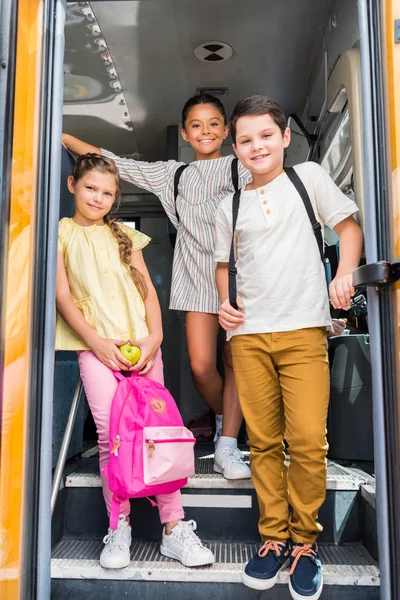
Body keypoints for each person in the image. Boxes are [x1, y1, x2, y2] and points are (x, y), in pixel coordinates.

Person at [215, 96, 363, 600]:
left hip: (303, 331)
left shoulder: (308, 179)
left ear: (283, 138)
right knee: (262, 442)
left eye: (265, 136)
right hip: (249, 336)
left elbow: (348, 228)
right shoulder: (227, 204)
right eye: (245, 140)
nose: (256, 145)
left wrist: (344, 274)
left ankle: (305, 542)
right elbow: (223, 265)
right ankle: (273, 539)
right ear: (235, 148)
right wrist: (223, 303)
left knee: (305, 441)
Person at [62, 93, 252, 480]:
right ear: (185, 132)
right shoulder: (173, 174)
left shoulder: (242, 166)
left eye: (214, 123)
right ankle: (230, 420)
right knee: (201, 366)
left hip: (241, 274)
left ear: (227, 130)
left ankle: (227, 443)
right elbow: (116, 163)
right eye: (196, 125)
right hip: (194, 274)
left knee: (237, 363)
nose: (206, 131)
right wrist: (60, 136)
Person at [55, 153, 215, 570]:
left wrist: (155, 338)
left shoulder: (126, 235)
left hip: (143, 348)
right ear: (72, 185)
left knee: (157, 431)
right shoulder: (60, 234)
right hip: (96, 348)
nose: (99, 197)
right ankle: (118, 525)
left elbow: (147, 294)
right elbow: (63, 296)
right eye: (91, 188)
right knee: (112, 436)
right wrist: (96, 342)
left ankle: (173, 527)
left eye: (108, 193)